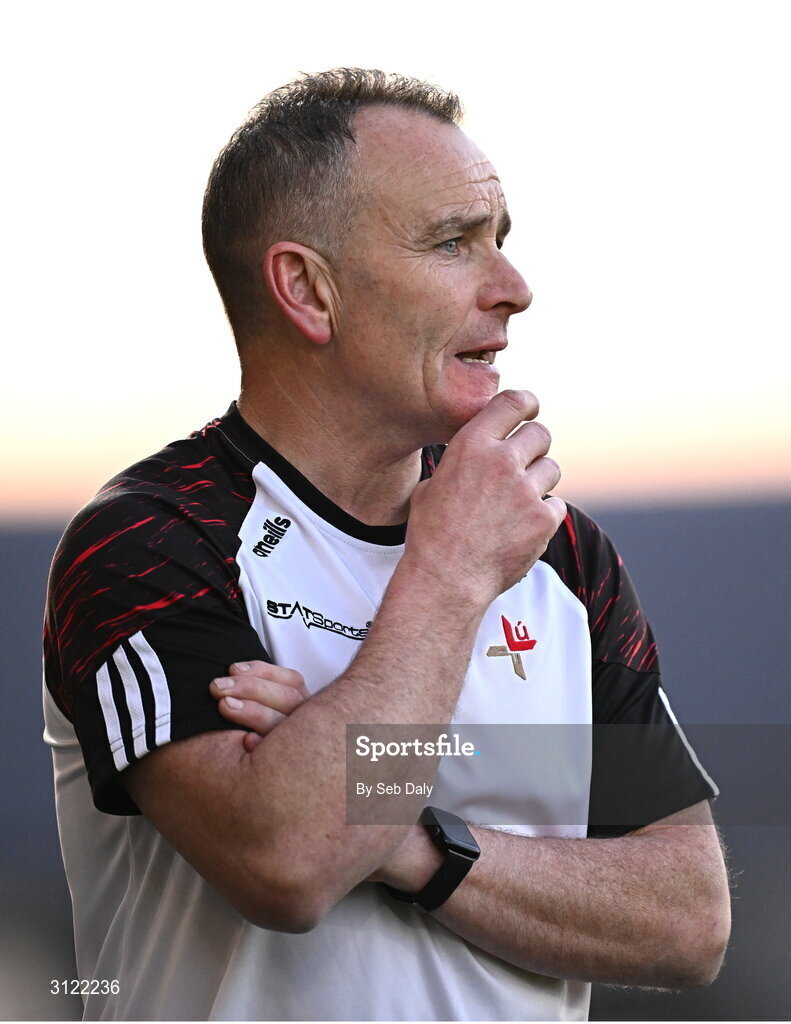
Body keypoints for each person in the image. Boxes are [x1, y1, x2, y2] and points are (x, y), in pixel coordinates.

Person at [43, 68, 730, 1021]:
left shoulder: (561, 555)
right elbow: (288, 861)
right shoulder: (151, 539)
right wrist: (448, 573)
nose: (514, 290)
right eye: (453, 243)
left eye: (500, 242)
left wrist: (409, 840)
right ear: (307, 290)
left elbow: (687, 919)